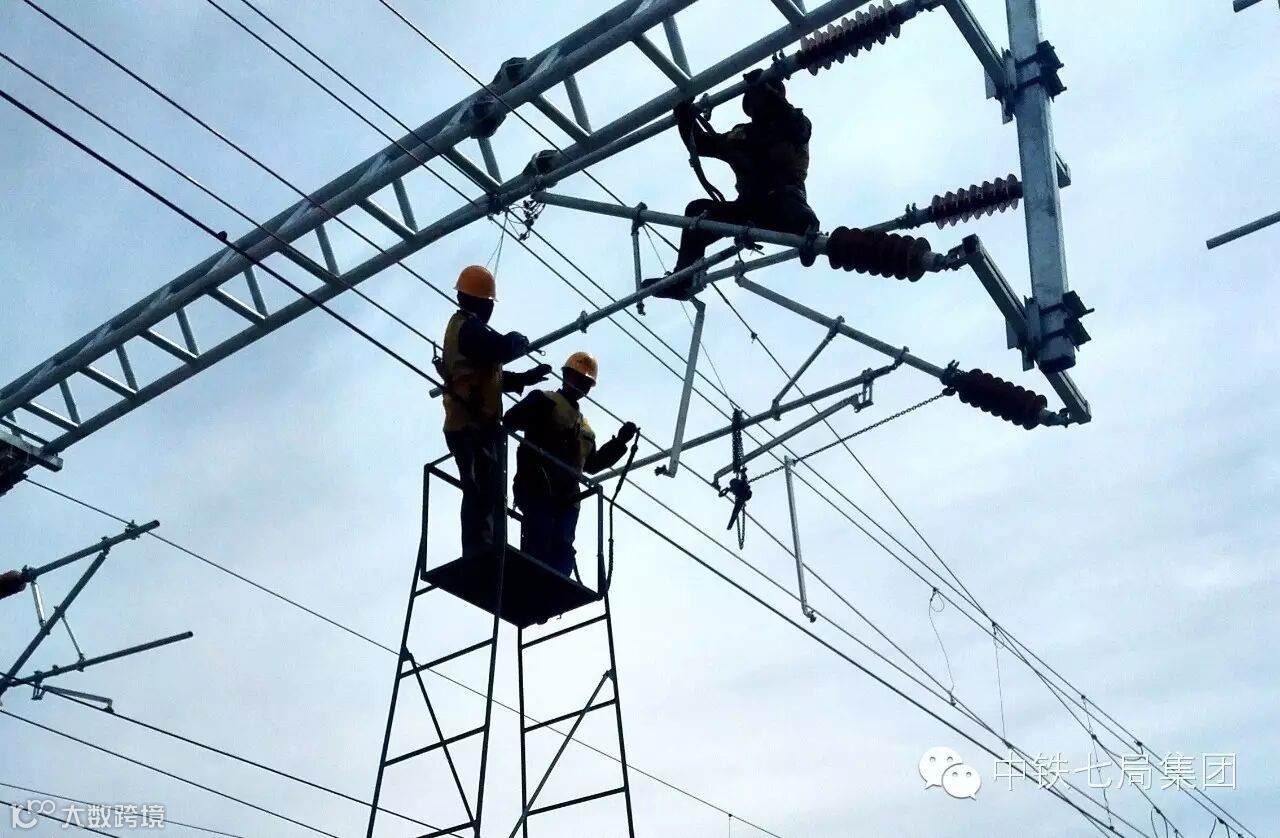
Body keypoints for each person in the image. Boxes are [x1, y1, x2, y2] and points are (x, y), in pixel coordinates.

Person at [643, 69, 820, 300]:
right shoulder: (742, 135)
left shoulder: (793, 124)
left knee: (794, 207)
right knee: (697, 212)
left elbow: (796, 127)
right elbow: (702, 144)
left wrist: (765, 89)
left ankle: (808, 234)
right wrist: (685, 119)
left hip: (782, 200)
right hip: (747, 207)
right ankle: (683, 279)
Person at [440, 265, 551, 562]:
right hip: (470, 425)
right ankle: (480, 550)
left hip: (472, 424)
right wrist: (515, 340)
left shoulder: (465, 329)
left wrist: (523, 378)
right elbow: (499, 349)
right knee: (479, 490)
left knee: (484, 490)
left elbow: (487, 374)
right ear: (481, 302)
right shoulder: (469, 329)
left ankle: (486, 547)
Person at [502, 352, 638, 576]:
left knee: (563, 547)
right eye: (577, 378)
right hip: (538, 486)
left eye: (585, 382)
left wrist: (619, 443)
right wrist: (544, 427)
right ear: (565, 376)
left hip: (568, 498)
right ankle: (533, 580)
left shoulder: (585, 428)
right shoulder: (545, 400)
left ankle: (554, 584)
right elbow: (511, 420)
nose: (580, 385)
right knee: (539, 537)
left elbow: (592, 464)